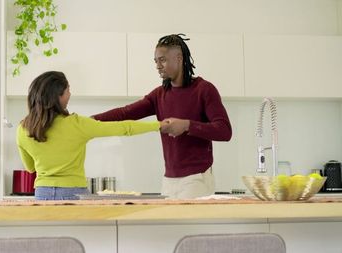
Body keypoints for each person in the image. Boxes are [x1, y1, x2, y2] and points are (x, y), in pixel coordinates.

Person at [92, 34, 232, 199]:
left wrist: (187, 125)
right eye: (156, 61)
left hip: (197, 179)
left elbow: (224, 131)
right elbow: (126, 112)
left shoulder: (204, 90)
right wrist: (92, 120)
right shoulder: (159, 95)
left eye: (163, 60)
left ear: (179, 58)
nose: (158, 66)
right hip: (168, 180)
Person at [16, 71, 166, 200]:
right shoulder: (77, 124)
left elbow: (30, 168)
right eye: (68, 90)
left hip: (42, 194)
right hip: (73, 193)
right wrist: (159, 125)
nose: (70, 94)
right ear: (58, 96)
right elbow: (124, 128)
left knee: (52, 234)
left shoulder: (22, 129)